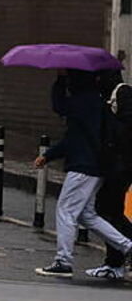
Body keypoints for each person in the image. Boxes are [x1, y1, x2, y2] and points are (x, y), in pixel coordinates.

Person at [34, 70, 132, 278]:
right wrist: (49, 155)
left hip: (83, 167)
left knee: (66, 210)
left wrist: (59, 80)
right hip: (97, 167)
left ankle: (63, 261)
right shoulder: (97, 102)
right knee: (87, 215)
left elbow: (59, 107)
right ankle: (127, 246)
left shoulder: (82, 102)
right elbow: (75, 137)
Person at [85, 70, 132, 279]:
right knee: (109, 210)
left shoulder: (123, 93)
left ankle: (117, 260)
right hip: (115, 166)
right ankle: (116, 260)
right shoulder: (109, 97)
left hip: (122, 167)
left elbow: (124, 129)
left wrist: (107, 116)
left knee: (110, 211)